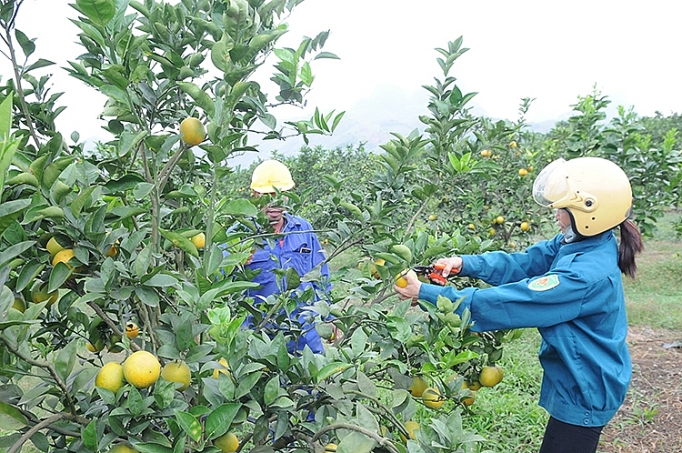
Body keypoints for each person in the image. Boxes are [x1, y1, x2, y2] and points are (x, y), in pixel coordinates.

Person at [394, 156, 644, 453]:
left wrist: (425, 293)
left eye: (562, 208)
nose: (555, 212)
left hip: (586, 386)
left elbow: (512, 302)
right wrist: (465, 264)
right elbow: (525, 262)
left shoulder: (583, 276)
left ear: (589, 213)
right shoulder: (578, 242)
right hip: (577, 376)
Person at [240, 159, 332, 354]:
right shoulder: (241, 235)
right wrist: (235, 262)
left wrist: (328, 315)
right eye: (267, 195)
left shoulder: (303, 229)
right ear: (255, 195)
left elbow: (321, 275)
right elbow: (217, 281)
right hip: (261, 338)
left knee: (310, 383)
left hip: (305, 335)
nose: (274, 202)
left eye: (280, 194)